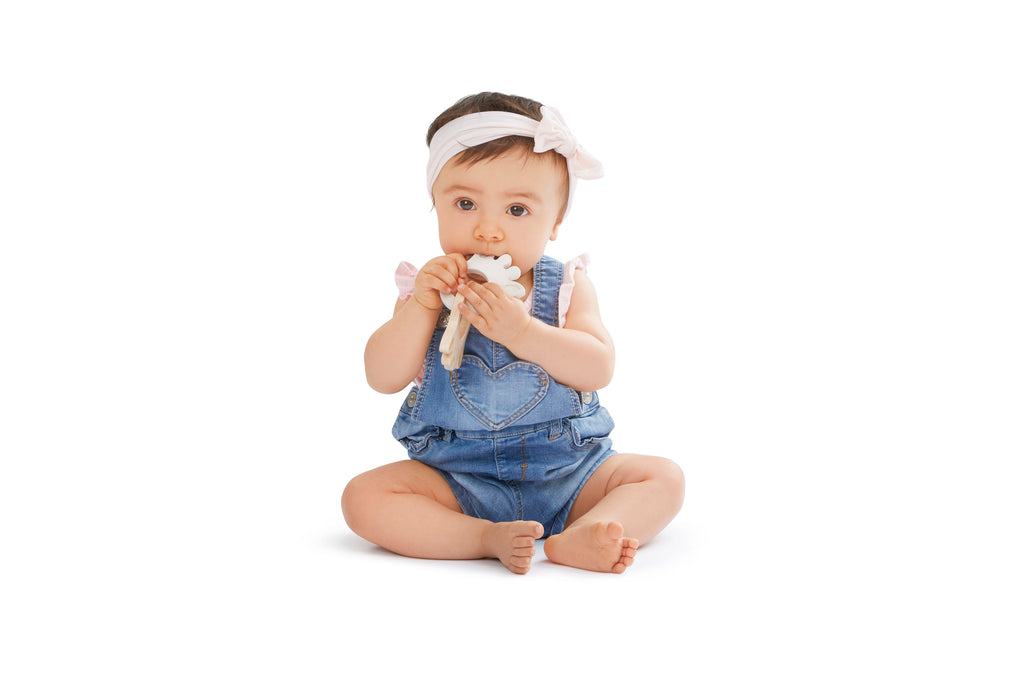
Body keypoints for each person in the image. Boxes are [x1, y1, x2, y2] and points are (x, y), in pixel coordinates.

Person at [342, 92, 685, 574]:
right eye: (465, 203)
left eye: (517, 210)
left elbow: (597, 367)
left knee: (662, 477)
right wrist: (419, 308)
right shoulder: (427, 291)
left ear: (555, 222)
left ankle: (587, 531)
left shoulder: (565, 285)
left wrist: (524, 332)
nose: (488, 230)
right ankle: (483, 536)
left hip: (569, 472)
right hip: (458, 480)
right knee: (363, 498)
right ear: (434, 205)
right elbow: (382, 376)